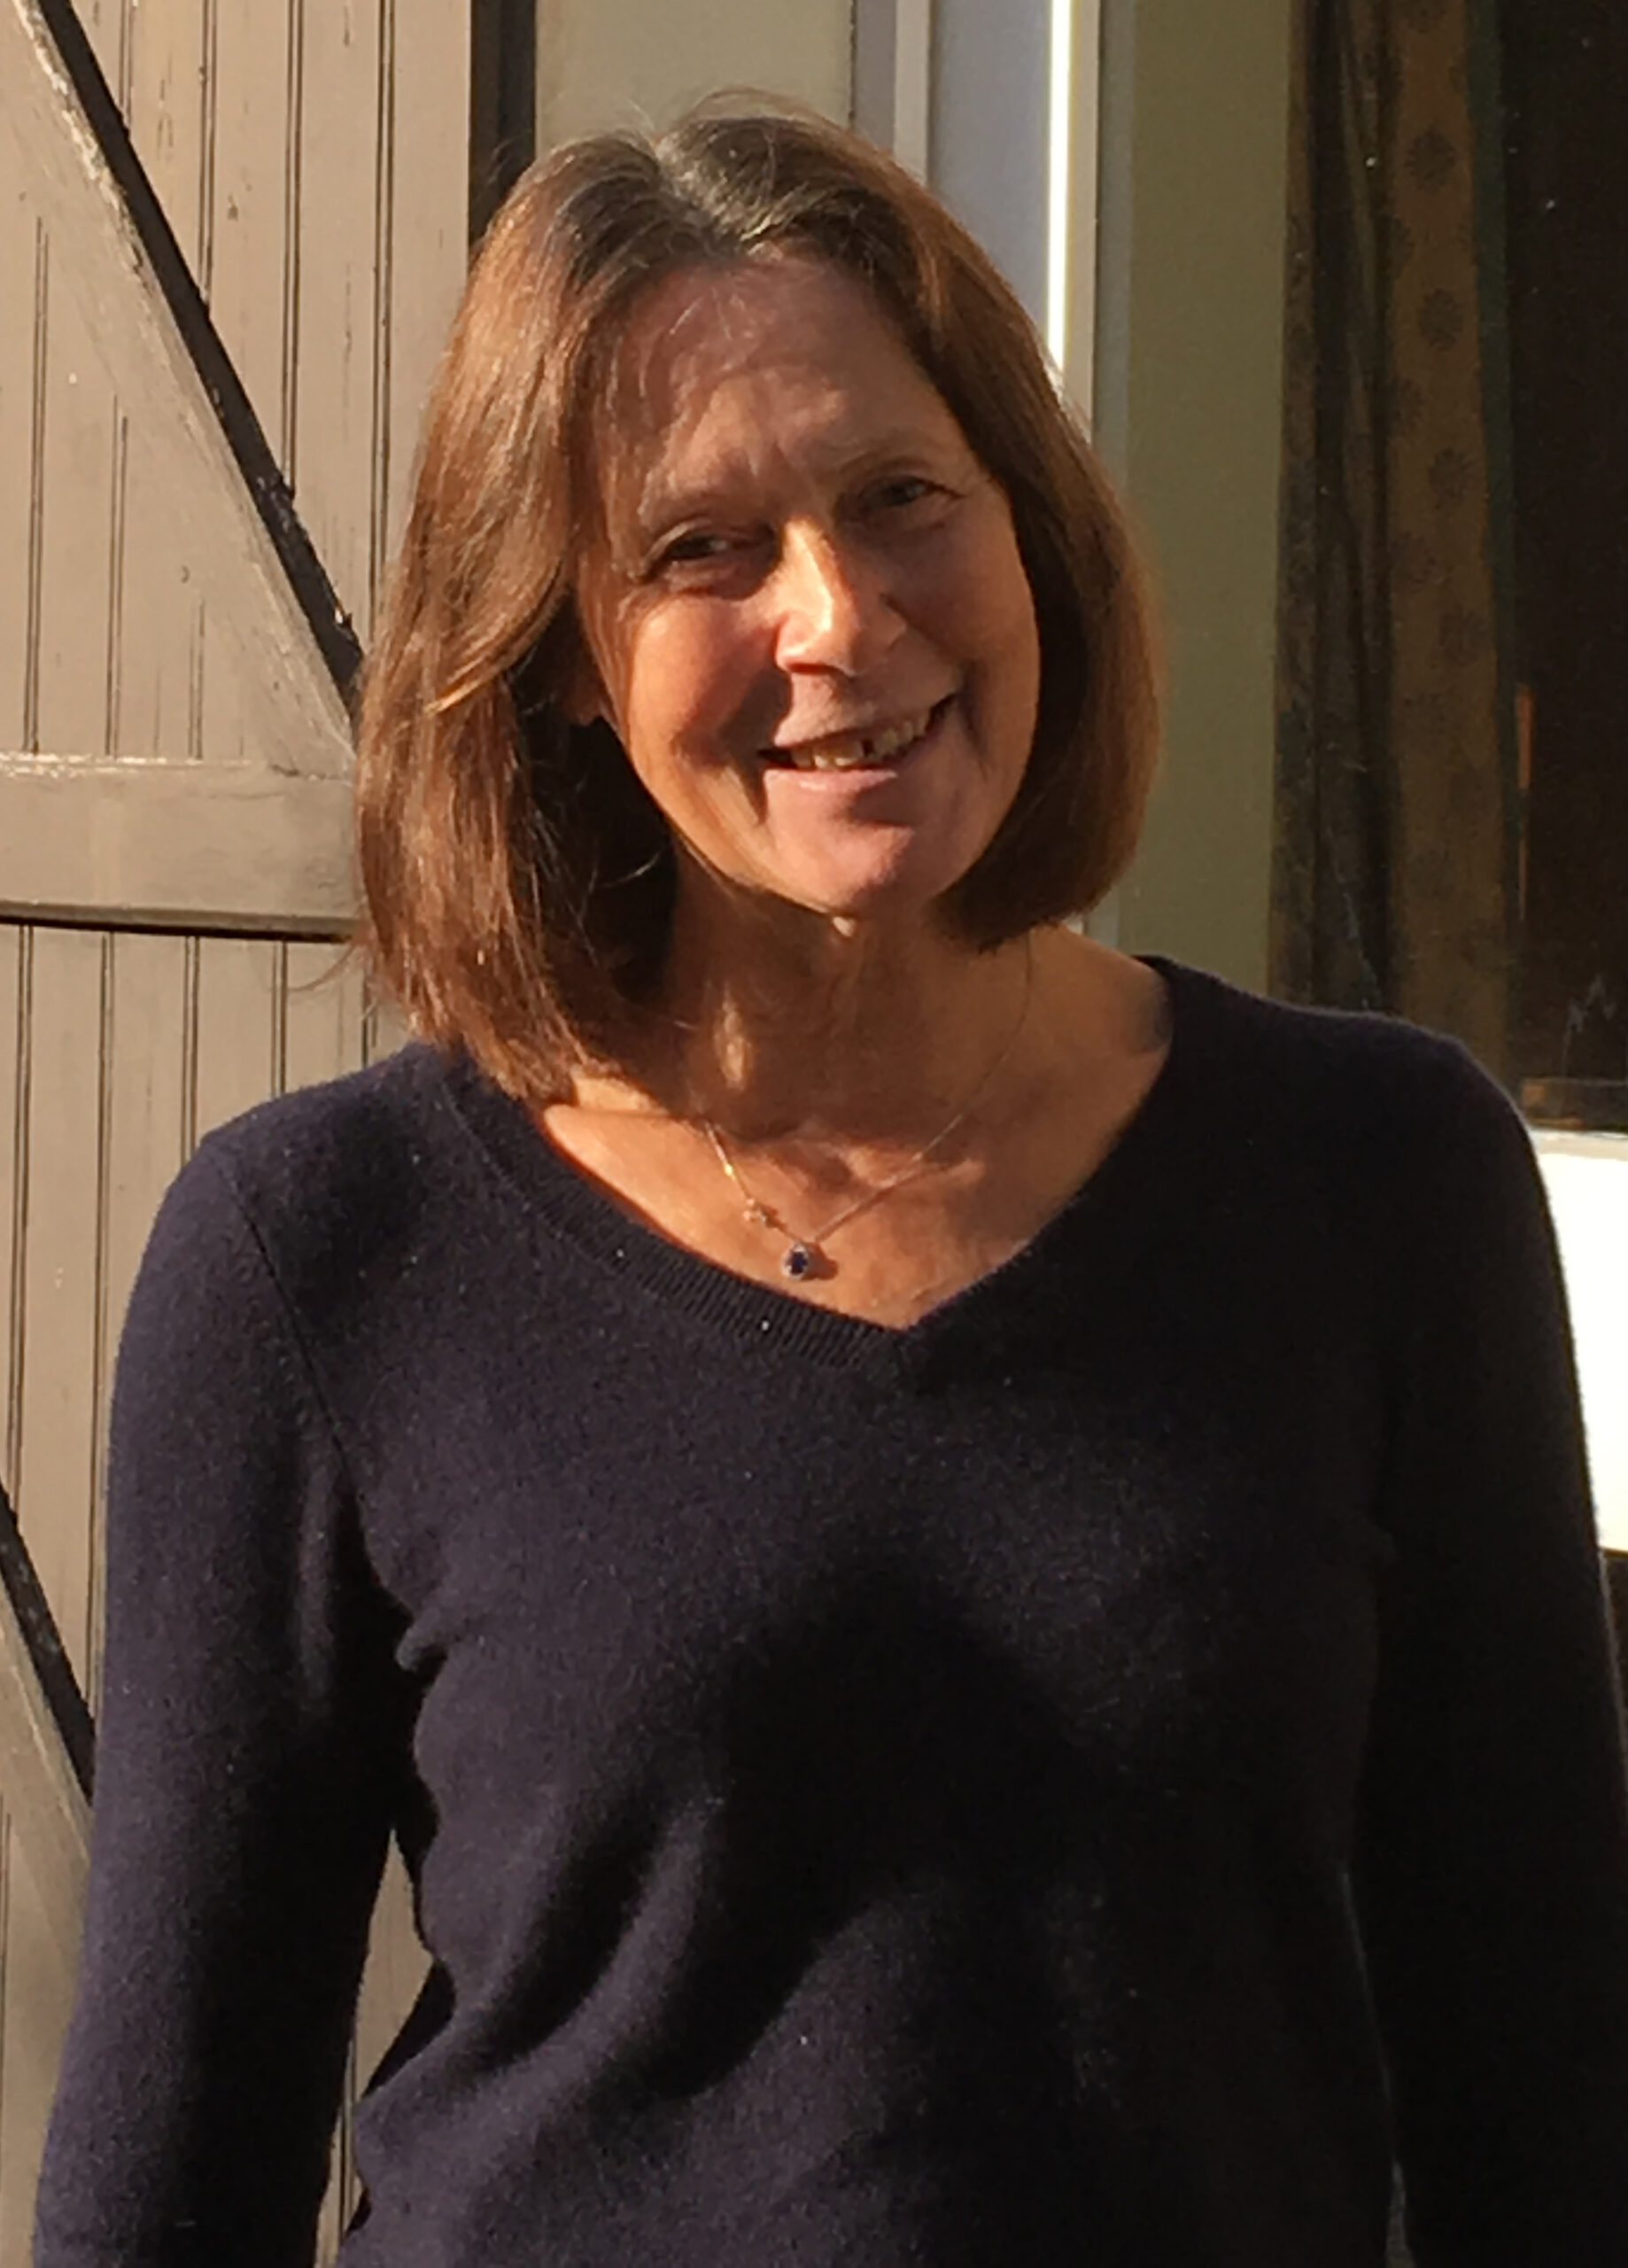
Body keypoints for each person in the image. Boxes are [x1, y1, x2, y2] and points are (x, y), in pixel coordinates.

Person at [34, 103, 1628, 2268]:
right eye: (702, 547)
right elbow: (167, 2174)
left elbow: (1546, 2089)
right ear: (558, 651)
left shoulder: (1377, 1183)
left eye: (900, 499)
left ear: (1028, 530)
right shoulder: (323, 1254)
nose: (840, 617)